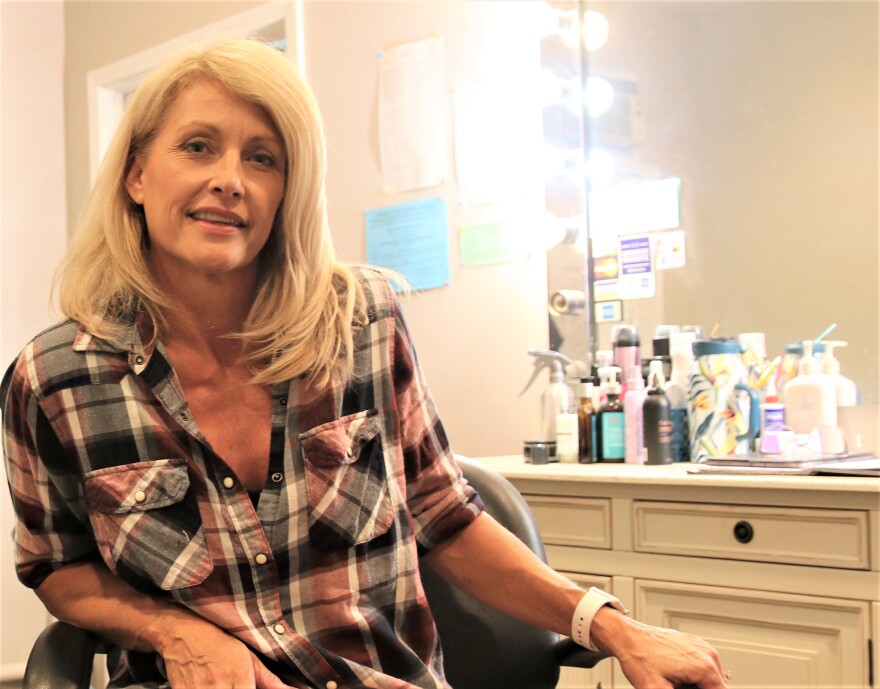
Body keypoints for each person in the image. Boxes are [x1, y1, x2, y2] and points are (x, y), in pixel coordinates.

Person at [1, 38, 727, 689]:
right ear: (136, 175)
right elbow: (57, 566)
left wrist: (611, 625)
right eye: (197, 146)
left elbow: (443, 515)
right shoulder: (54, 379)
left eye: (263, 158)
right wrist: (174, 632)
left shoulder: (362, 323)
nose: (231, 179)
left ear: (287, 191)